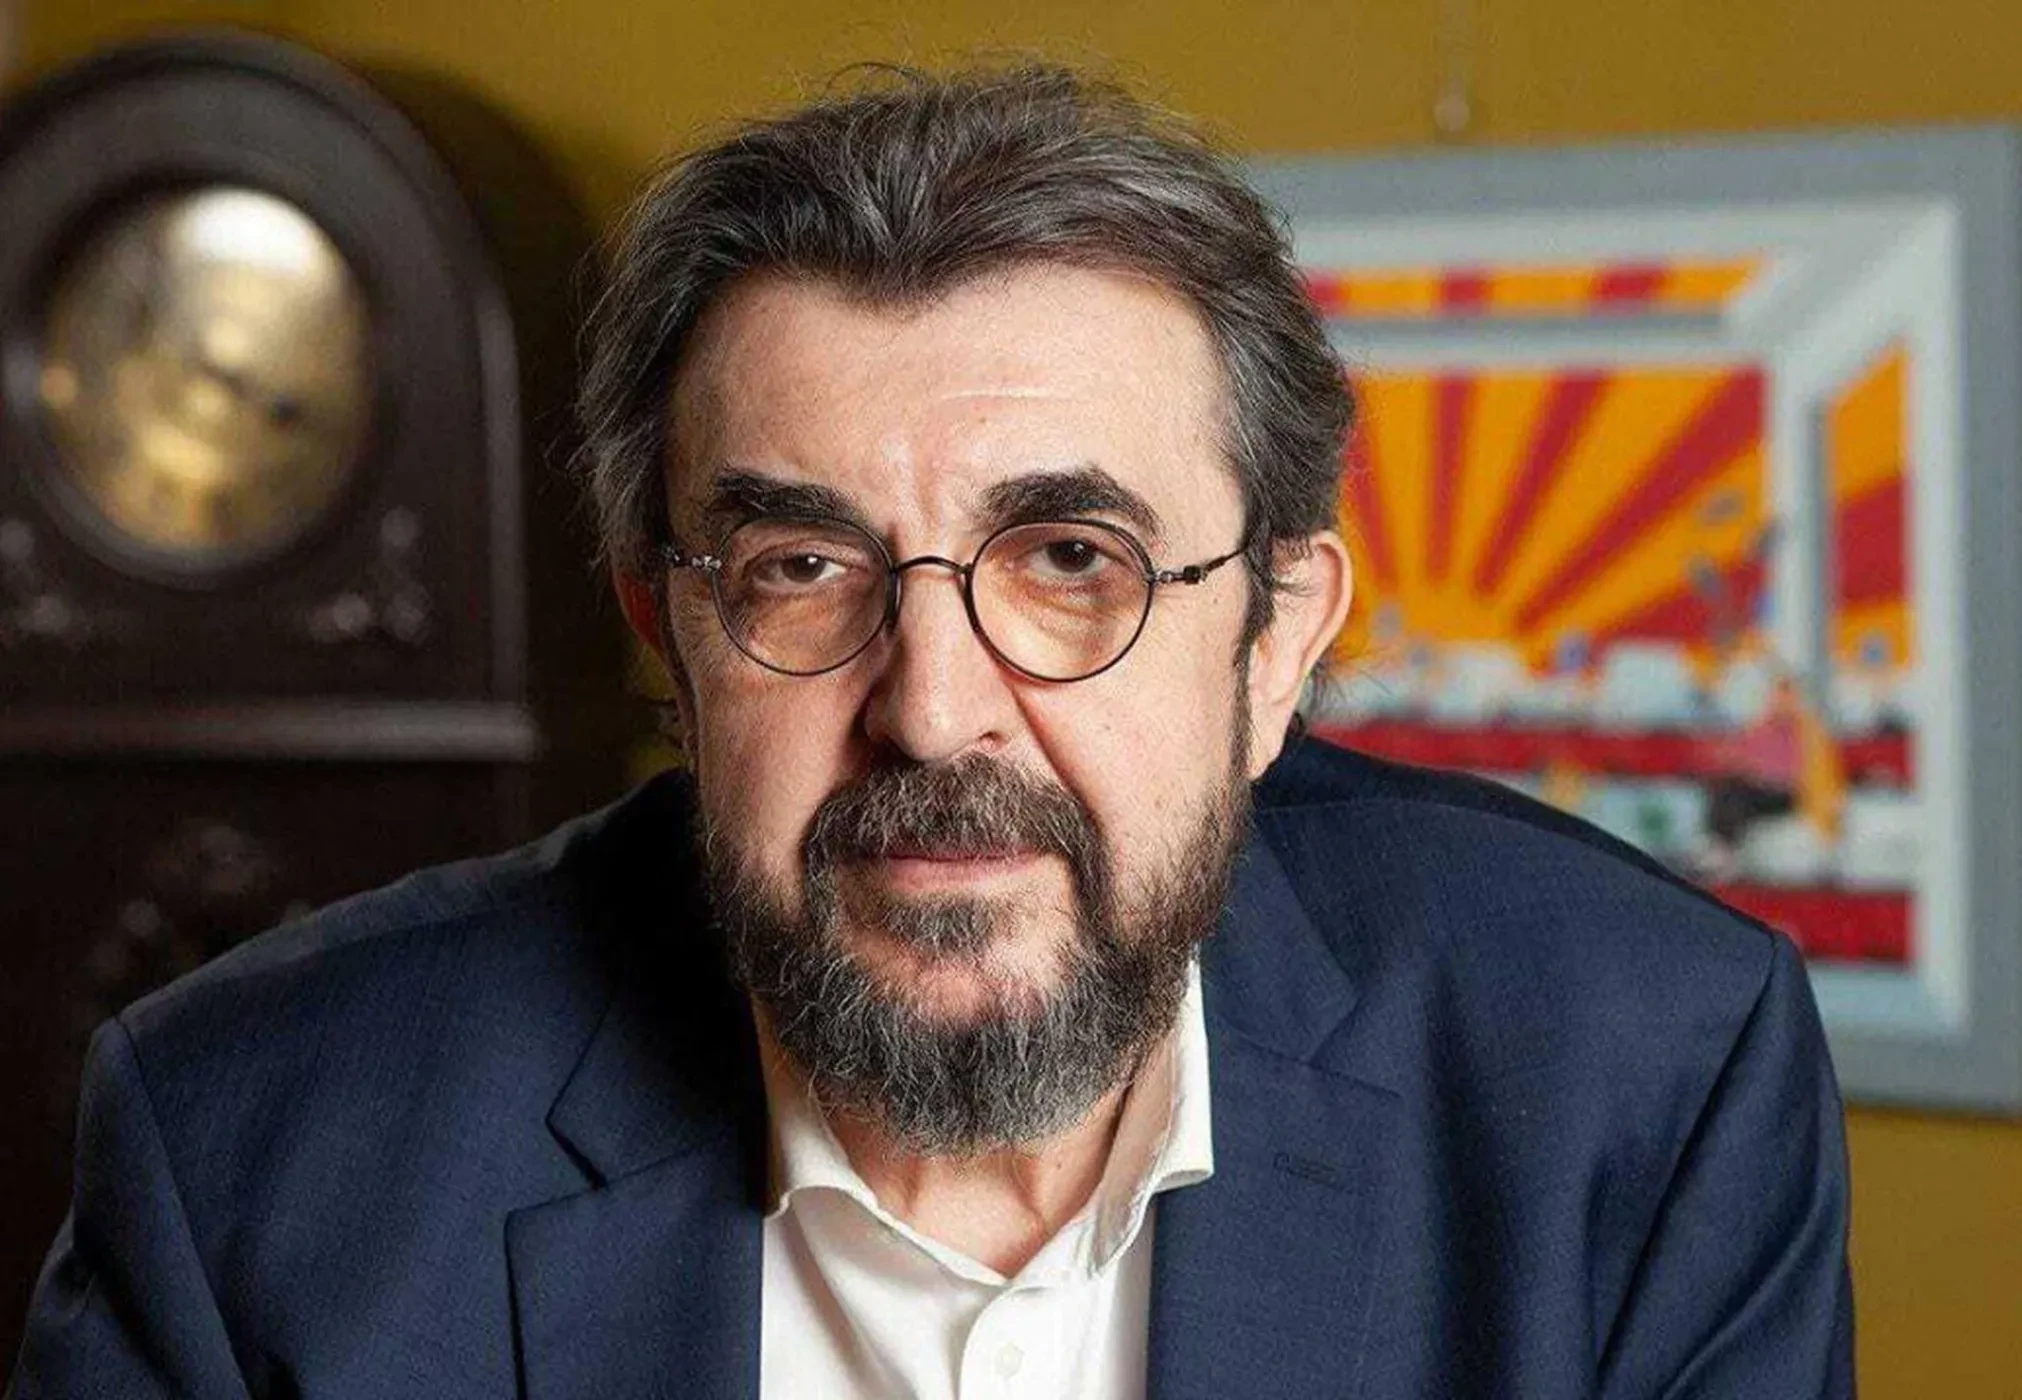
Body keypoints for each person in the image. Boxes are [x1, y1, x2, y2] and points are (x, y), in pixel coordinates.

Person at [9, 64, 1853, 1398]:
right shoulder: (251, 1154)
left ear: (1275, 641)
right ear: (670, 639)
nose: (933, 708)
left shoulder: (1641, 1078)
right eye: (803, 568)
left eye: (1070, 561)